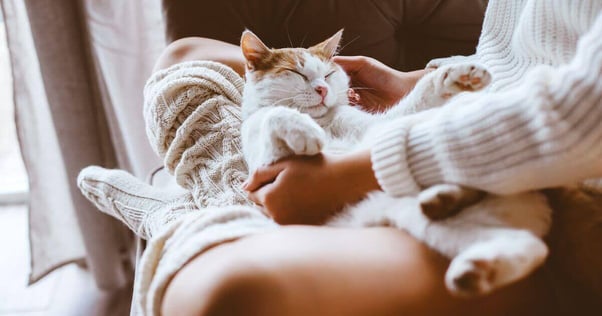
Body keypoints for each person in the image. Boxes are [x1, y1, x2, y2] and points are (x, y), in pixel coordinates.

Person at [148, 0, 602, 314]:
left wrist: (354, 175)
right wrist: (419, 80)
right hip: (494, 108)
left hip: (557, 171)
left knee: (221, 295)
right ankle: (227, 185)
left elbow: (586, 114)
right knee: (184, 54)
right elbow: (532, 55)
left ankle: (222, 192)